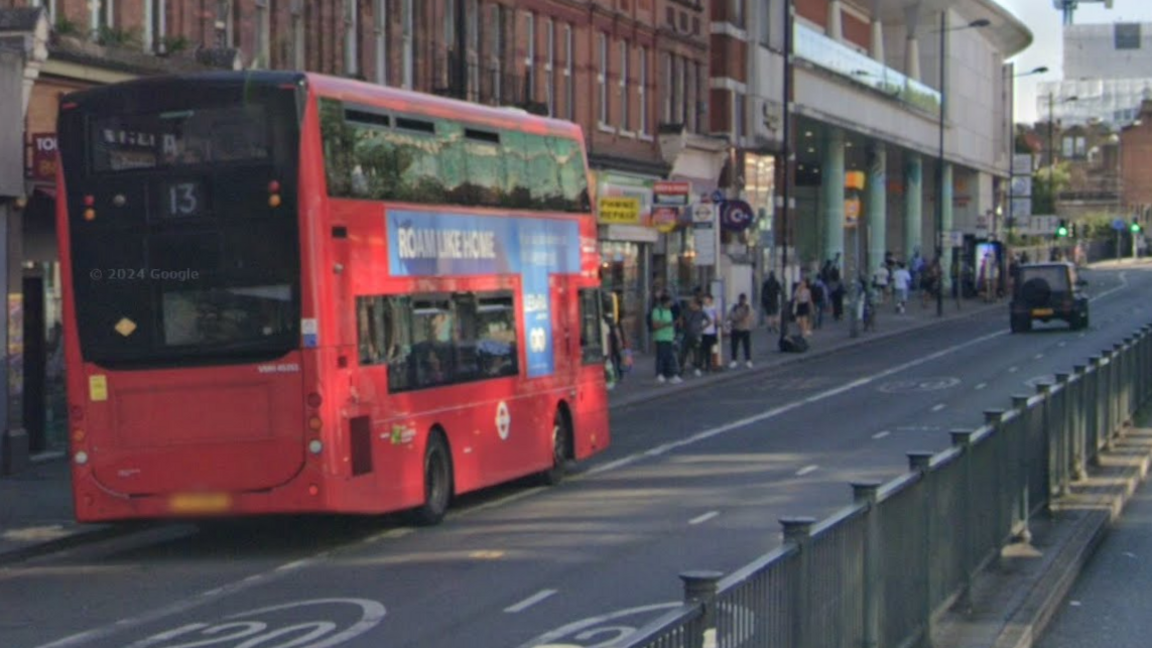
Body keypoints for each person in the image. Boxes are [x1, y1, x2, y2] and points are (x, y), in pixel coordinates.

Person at [650, 293, 681, 384]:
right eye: (669, 302)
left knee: (670, 356)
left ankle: (670, 374)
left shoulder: (669, 311)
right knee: (661, 356)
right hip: (660, 337)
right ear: (664, 303)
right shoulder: (657, 311)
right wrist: (667, 324)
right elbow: (655, 325)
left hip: (669, 337)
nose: (671, 304)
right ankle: (659, 374)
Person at [727, 293, 755, 368]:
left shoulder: (748, 308)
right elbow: (730, 316)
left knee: (746, 346)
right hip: (735, 328)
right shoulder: (735, 307)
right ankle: (734, 360)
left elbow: (750, 317)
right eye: (741, 299)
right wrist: (739, 318)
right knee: (734, 346)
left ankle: (748, 360)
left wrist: (748, 323)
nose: (742, 301)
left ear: (745, 300)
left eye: (743, 299)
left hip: (745, 329)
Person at [700, 293, 720, 373]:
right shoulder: (702, 308)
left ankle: (715, 364)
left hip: (712, 332)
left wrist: (717, 323)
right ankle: (707, 365)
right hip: (704, 333)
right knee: (705, 350)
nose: (704, 300)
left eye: (706, 299)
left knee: (714, 349)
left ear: (710, 300)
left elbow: (717, 319)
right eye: (704, 299)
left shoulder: (714, 308)